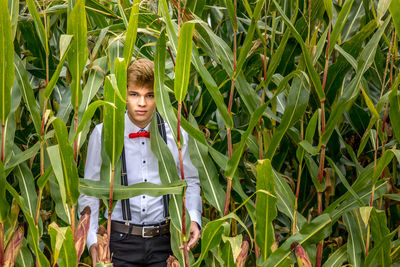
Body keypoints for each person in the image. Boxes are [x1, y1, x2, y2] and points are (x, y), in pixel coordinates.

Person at [78, 58, 202, 267]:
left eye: (149, 95)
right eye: (134, 94)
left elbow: (189, 182)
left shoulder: (176, 135)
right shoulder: (104, 134)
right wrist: (92, 243)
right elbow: (89, 191)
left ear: (158, 96)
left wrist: (192, 218)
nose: (142, 103)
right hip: (118, 243)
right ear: (124, 94)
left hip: (167, 243)